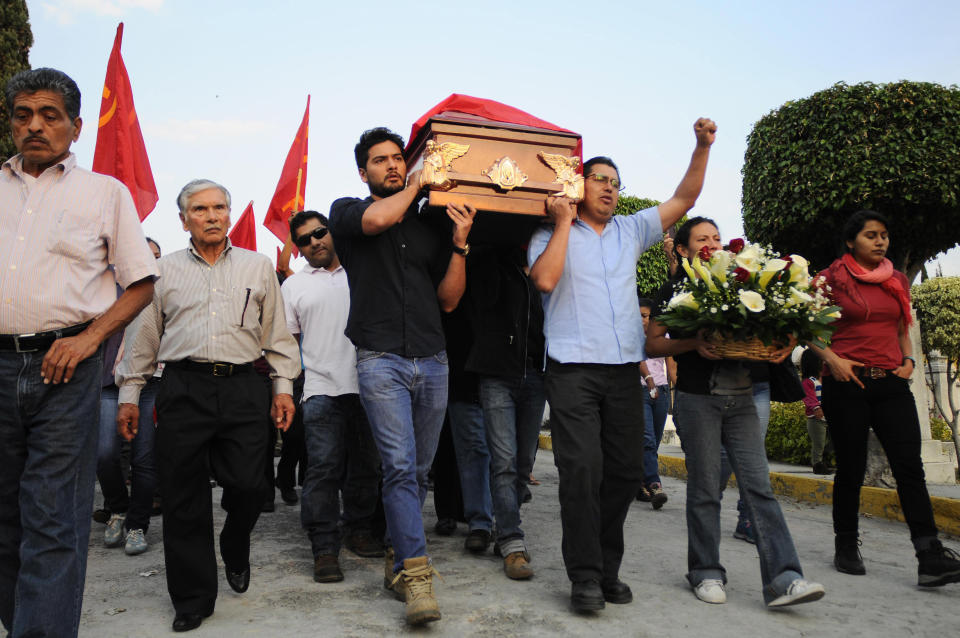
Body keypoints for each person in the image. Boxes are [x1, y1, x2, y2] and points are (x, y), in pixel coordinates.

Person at [527, 118, 716, 612]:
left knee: (624, 471)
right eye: (600, 180)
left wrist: (701, 147)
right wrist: (564, 221)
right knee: (582, 471)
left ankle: (607, 568)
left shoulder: (631, 231)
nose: (610, 189)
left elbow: (685, 199)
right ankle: (585, 577)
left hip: (623, 371)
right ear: (577, 185)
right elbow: (544, 282)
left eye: (616, 182)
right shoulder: (547, 234)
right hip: (571, 371)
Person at [0, 67, 158, 638]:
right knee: (5, 520)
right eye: (23, 115)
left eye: (50, 115)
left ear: (76, 126)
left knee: (51, 517)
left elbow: (141, 282)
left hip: (65, 370)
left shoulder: (104, 194)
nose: (35, 126)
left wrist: (90, 338)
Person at [116, 179, 301, 633]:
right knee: (183, 496)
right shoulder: (163, 271)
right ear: (184, 220)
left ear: (229, 214)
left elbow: (276, 334)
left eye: (220, 207)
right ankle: (193, 597)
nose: (212, 216)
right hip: (183, 386)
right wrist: (129, 395)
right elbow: (143, 339)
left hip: (243, 387)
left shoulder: (258, 268)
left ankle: (235, 543)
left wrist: (282, 388)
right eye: (200, 209)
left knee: (251, 487)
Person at [328, 127, 475, 626]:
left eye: (397, 158)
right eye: (380, 160)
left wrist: (458, 245)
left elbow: (449, 300)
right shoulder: (347, 210)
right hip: (380, 359)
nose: (391, 165)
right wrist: (417, 183)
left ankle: (397, 551)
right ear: (363, 170)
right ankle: (417, 576)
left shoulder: (429, 226)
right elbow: (376, 221)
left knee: (415, 473)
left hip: (433, 359)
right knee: (397, 466)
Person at [646, 216, 825, 608]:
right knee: (706, 488)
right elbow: (654, 344)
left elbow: (787, 322)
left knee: (759, 487)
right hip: (698, 399)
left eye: (716, 237)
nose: (712, 243)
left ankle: (785, 577)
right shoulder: (675, 288)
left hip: (743, 396)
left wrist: (784, 344)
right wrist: (693, 343)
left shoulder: (743, 281)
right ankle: (705, 571)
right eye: (701, 239)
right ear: (683, 249)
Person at [811, 209, 960, 586]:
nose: (880, 242)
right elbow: (803, 325)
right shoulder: (830, 279)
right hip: (848, 384)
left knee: (909, 467)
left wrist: (909, 359)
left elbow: (900, 325)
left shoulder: (895, 279)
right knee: (851, 467)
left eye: (884, 235)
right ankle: (846, 544)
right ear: (850, 241)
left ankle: (929, 557)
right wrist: (831, 359)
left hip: (892, 383)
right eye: (871, 235)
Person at [281, 210, 382, 583]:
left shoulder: (362, 270)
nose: (315, 242)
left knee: (367, 467)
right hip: (321, 389)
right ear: (298, 249)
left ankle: (358, 530)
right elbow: (288, 342)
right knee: (322, 469)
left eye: (320, 233)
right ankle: (324, 547)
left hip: (371, 385)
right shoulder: (293, 287)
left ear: (332, 231)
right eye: (305, 240)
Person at [464, 245, 546, 579]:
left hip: (536, 375)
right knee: (505, 461)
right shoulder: (490, 260)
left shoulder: (552, 264)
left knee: (523, 464)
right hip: (497, 374)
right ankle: (512, 540)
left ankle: (504, 524)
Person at [97, 238, 164, 556]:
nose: (150, 262)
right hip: (106, 382)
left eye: (156, 257)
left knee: (144, 458)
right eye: (145, 255)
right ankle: (118, 510)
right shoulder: (103, 284)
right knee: (104, 453)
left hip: (148, 383)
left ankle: (137, 524)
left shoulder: (162, 288)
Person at [636, 297, 673, 509]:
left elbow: (671, 365)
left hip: (662, 392)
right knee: (647, 439)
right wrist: (648, 379)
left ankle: (641, 482)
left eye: (646, 316)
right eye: (639, 316)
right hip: (640, 390)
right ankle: (655, 484)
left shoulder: (663, 336)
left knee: (654, 442)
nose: (642, 320)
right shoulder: (631, 336)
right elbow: (638, 360)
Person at [800, 347, 832, 474]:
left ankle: (825, 462)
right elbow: (808, 397)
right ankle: (817, 464)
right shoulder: (808, 382)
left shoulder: (825, 378)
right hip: (816, 418)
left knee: (827, 442)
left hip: (827, 416)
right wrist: (816, 407)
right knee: (819, 443)